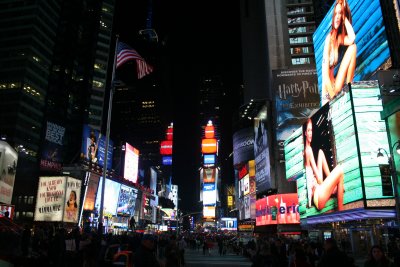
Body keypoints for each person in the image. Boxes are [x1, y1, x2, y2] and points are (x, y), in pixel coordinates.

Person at [303, 118, 345, 211]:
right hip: (318, 196)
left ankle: (333, 186)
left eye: (311, 130)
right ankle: (341, 212)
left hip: (317, 192)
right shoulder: (308, 151)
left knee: (321, 152)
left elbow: (316, 178)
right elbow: (319, 179)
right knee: (340, 171)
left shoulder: (307, 149)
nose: (310, 133)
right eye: (308, 130)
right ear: (305, 133)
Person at [321, 0, 356, 105]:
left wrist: (344, 17)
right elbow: (325, 75)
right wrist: (333, 98)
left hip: (336, 85)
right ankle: (346, 91)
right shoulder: (329, 38)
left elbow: (352, 38)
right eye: (335, 14)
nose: (337, 17)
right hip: (328, 93)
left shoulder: (338, 38)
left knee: (353, 47)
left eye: (339, 13)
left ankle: (349, 87)